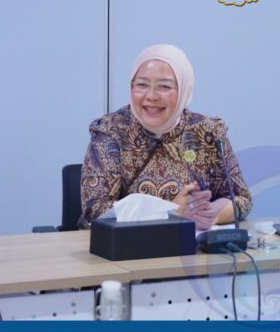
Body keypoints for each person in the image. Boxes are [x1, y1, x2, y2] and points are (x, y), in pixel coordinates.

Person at [79, 44, 252, 230]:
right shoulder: (111, 131)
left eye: (164, 86)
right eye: (142, 85)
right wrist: (169, 213)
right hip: (124, 246)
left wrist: (213, 213)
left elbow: (241, 199)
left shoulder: (207, 133)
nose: (151, 96)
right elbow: (95, 212)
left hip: (189, 245)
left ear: (184, 89)